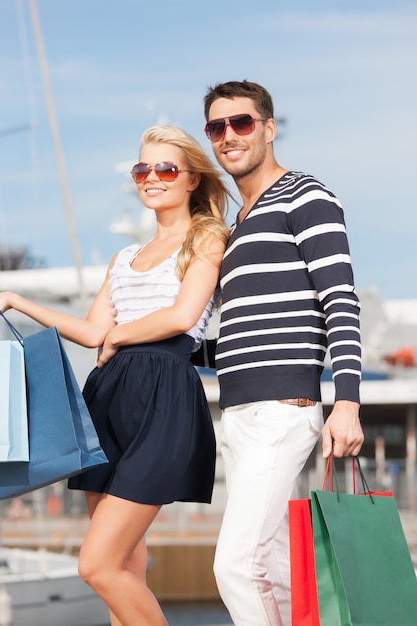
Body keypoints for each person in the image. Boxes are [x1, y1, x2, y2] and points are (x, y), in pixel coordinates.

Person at [0, 125, 230, 626]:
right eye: (143, 169)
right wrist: (17, 302)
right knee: (126, 565)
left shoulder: (207, 237)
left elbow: (182, 317)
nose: (151, 178)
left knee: (97, 564)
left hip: (164, 394)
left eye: (165, 169)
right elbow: (93, 332)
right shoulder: (124, 258)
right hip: (108, 395)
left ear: (193, 179)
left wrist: (122, 335)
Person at [202, 80, 364, 626]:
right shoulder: (235, 227)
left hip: (283, 409)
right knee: (270, 566)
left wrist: (348, 401)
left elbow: (340, 300)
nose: (229, 136)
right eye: (217, 127)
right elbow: (236, 335)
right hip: (238, 414)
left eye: (241, 122)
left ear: (268, 129)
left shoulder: (305, 194)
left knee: (237, 568)